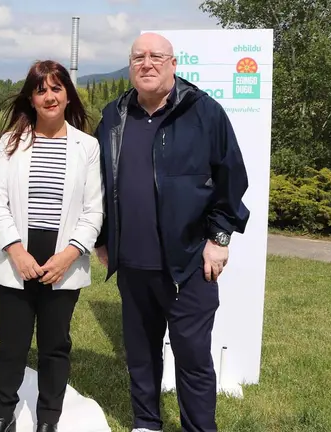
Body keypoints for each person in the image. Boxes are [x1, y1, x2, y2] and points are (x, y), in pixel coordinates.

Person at [93, 32, 250, 432]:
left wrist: (220, 240)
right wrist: (102, 238)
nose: (147, 63)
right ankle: (146, 423)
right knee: (142, 355)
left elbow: (231, 180)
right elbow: (97, 183)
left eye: (156, 56)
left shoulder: (204, 112)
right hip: (132, 263)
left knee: (194, 358)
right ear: (130, 66)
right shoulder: (114, 116)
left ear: (174, 64)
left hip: (190, 264)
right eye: (138, 57)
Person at [0, 60, 105, 432]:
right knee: (12, 343)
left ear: (68, 95)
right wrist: (16, 252)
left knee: (55, 344)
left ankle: (48, 418)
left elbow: (93, 210)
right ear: (31, 99)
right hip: (17, 257)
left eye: (56, 88)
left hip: (63, 260)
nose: (49, 96)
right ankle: (3, 412)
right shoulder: (10, 143)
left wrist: (70, 254)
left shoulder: (87, 146)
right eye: (41, 90)